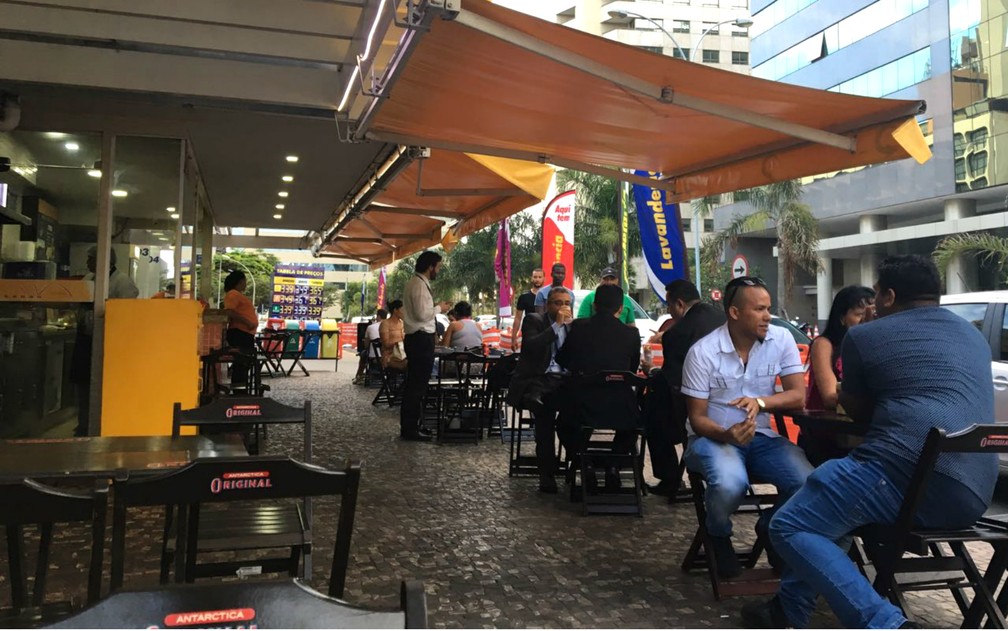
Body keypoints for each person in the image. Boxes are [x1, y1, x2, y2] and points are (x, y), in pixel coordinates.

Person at [743, 255, 999, 629]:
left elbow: (857, 414)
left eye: (876, 296)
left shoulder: (865, 337)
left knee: (789, 525)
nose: (872, 304)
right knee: (830, 502)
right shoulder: (973, 336)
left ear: (890, 296)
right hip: (975, 492)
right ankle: (789, 609)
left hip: (903, 475)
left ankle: (886, 623)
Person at [681, 276, 812, 578]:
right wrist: (726, 434)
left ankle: (771, 526)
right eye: (759, 309)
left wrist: (761, 403)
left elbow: (797, 395)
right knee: (730, 483)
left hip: (762, 436)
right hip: (712, 438)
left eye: (768, 308)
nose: (768, 316)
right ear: (735, 312)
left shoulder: (781, 339)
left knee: (809, 481)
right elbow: (697, 418)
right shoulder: (703, 352)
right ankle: (717, 534)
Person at [645, 279, 726, 496]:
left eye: (669, 307)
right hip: (729, 401)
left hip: (693, 408)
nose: (670, 313)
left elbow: (674, 379)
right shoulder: (723, 318)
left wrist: (652, 371)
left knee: (651, 412)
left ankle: (670, 478)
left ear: (679, 304)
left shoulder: (676, 333)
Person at [557, 284, 641, 489]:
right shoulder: (631, 335)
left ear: (594, 306)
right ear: (620, 309)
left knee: (563, 426)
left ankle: (584, 463)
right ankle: (613, 464)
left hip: (583, 403)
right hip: (621, 406)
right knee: (634, 427)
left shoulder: (579, 328)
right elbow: (631, 368)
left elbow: (563, 358)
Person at [507, 286, 575, 493]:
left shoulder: (575, 327)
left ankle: (579, 465)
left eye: (566, 303)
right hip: (539, 381)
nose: (563, 307)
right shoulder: (534, 320)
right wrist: (556, 325)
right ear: (547, 305)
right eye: (557, 303)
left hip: (564, 381)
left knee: (575, 418)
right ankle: (547, 475)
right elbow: (532, 346)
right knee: (544, 421)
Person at [71, 246, 139, 436]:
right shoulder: (87, 279)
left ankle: (101, 421)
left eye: (90, 258)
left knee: (104, 382)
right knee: (82, 383)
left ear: (103, 260)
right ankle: (83, 422)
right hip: (84, 338)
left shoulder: (122, 281)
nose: (87, 263)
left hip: (109, 340)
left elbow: (127, 311)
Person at [806, 285, 875, 411]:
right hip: (829, 424)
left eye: (872, 315)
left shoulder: (877, 346)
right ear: (842, 318)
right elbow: (829, 397)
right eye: (860, 314)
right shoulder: (824, 345)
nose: (866, 320)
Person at [400, 250, 442, 441]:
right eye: (437, 267)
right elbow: (421, 314)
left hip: (419, 338)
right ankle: (409, 429)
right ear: (430, 266)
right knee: (416, 386)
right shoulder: (417, 285)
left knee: (417, 385)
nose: (438, 271)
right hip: (419, 338)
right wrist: (440, 308)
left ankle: (412, 425)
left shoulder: (418, 284)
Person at [222, 270, 258, 391]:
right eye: (244, 281)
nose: (246, 284)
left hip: (244, 332)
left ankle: (241, 388)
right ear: (240, 281)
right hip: (240, 332)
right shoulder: (233, 294)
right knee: (242, 363)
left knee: (243, 363)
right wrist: (247, 322)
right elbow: (230, 311)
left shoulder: (236, 295)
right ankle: (239, 390)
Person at [512, 267, 544, 351]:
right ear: (531, 278)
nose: (537, 279)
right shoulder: (524, 297)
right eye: (535, 277)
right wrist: (513, 338)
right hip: (529, 333)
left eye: (540, 277)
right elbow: (518, 318)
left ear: (544, 278)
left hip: (544, 332)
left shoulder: (548, 296)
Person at [353, 309, 387, 384]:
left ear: (378, 316)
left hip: (372, 356)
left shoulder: (370, 327)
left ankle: (359, 376)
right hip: (386, 355)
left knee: (362, 355)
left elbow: (366, 345)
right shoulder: (390, 327)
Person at [380, 301, 407, 372]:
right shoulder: (385, 324)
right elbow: (386, 344)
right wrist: (399, 343)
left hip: (403, 354)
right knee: (410, 364)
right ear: (395, 310)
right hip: (390, 356)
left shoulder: (402, 323)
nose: (404, 312)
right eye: (402, 310)